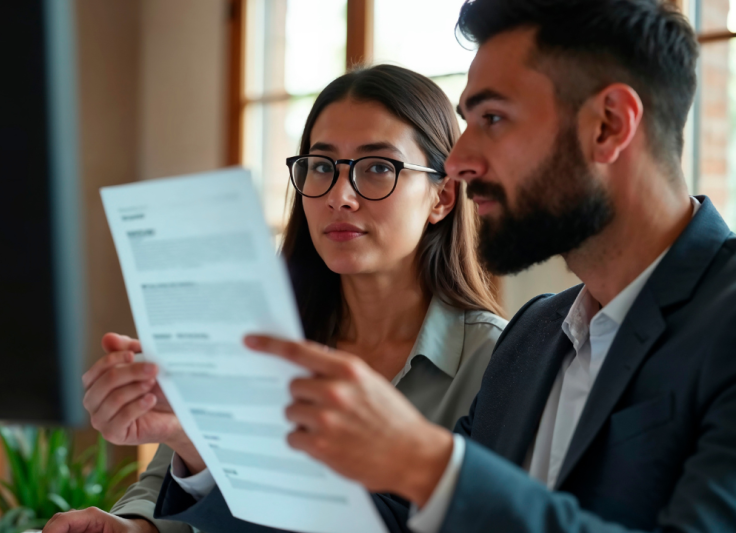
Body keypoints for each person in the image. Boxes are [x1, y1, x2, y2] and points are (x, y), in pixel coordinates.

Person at [149, 0, 736, 532]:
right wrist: (189, 451)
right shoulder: (534, 336)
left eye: (493, 119)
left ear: (608, 125)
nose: (457, 161)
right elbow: (379, 523)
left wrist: (425, 462)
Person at [42, 65, 506, 533]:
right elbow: (166, 488)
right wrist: (136, 528)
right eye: (322, 166)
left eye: (378, 168)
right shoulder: (255, 341)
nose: (340, 196)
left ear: (442, 197)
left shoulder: (497, 360)